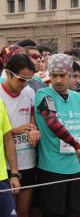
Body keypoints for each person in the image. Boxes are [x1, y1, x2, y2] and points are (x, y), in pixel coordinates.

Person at [34, 54, 80, 217]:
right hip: (52, 168)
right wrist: (77, 147)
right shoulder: (44, 94)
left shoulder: (78, 97)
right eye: (53, 75)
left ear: (71, 75)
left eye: (62, 75)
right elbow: (53, 123)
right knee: (54, 213)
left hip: (74, 167)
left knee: (75, 212)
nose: (57, 80)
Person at [0, 54, 41, 217]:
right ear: (8, 73)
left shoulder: (30, 93)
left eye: (29, 80)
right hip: (5, 166)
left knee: (23, 211)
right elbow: (5, 132)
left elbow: (32, 123)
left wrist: (33, 131)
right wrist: (16, 130)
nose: (25, 85)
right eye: (21, 79)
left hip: (27, 159)